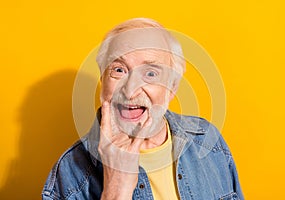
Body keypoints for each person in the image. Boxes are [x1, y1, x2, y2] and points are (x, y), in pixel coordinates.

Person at [42, 18, 244, 200]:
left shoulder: (207, 140)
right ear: (103, 80)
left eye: (150, 73)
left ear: (172, 88)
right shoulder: (69, 172)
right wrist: (116, 190)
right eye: (119, 70)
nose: (130, 92)